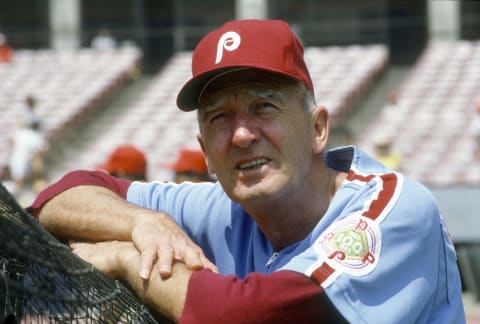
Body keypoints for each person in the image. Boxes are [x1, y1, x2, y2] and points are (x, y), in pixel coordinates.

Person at [29, 19, 465, 323]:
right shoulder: (221, 205)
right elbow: (60, 196)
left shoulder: (394, 207)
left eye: (264, 107)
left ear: (317, 129)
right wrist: (143, 223)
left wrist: (125, 257)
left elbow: (249, 315)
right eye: (219, 117)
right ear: (205, 153)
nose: (241, 135)